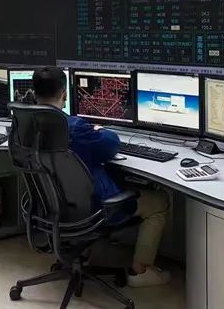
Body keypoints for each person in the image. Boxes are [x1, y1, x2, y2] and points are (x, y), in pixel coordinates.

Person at [32, 67, 171, 288]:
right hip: (94, 210)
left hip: (50, 207)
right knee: (159, 201)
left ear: (33, 93)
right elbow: (112, 145)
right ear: (64, 94)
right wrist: (97, 130)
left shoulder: (25, 125)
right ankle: (140, 271)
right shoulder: (74, 128)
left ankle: (82, 254)